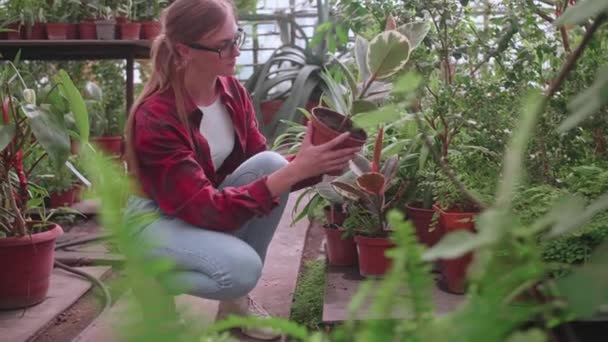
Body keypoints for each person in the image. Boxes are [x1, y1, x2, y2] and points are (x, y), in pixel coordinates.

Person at [123, 0, 360, 339]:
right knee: (241, 270)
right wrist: (294, 173)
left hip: (198, 206)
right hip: (153, 219)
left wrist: (318, 161)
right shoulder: (157, 117)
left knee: (272, 164)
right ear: (184, 50)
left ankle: (233, 311)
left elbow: (261, 170)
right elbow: (206, 209)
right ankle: (150, 278)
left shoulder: (232, 91)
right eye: (224, 45)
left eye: (237, 37)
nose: (236, 51)